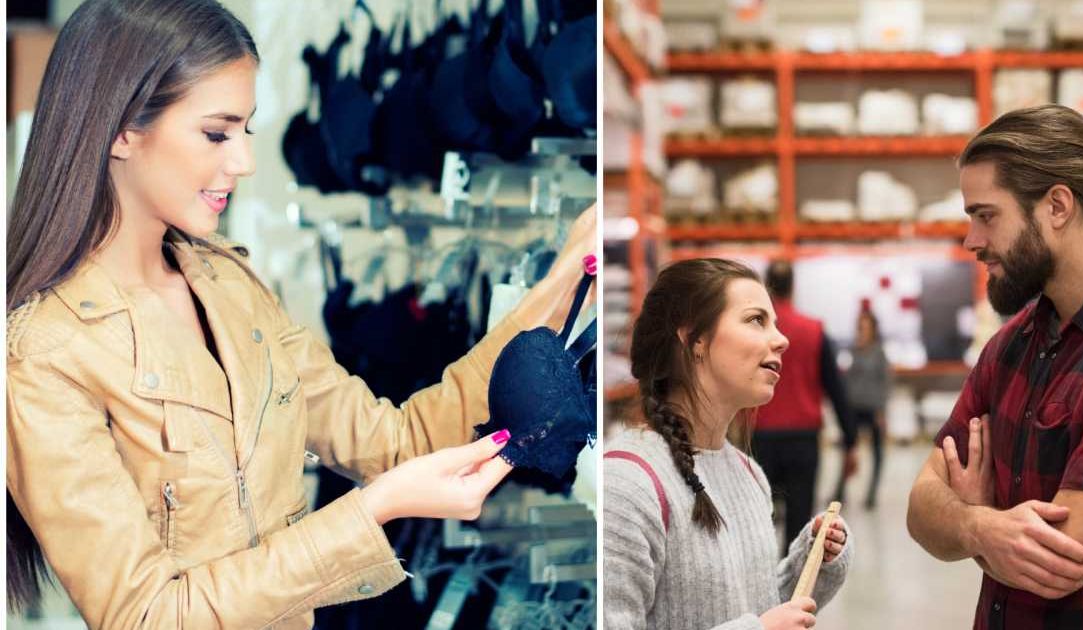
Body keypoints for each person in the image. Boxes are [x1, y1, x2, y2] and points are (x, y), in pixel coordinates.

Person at [4, 1, 596, 628]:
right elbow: (146, 615)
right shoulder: (43, 354)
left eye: (247, 130)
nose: (244, 162)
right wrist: (370, 513)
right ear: (123, 129)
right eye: (216, 133)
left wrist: (561, 283)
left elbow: (396, 443)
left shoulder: (231, 286)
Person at [906, 104, 1083, 629]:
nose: (972, 240)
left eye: (986, 215)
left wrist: (970, 517)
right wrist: (981, 526)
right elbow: (921, 507)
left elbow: (1060, 560)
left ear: (1057, 206)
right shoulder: (1011, 345)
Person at [604, 258, 853, 630]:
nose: (781, 339)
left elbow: (753, 606)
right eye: (756, 320)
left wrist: (813, 559)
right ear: (695, 341)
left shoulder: (749, 473)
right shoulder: (627, 485)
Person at [753, 260, 858, 548]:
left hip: (762, 438)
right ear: (793, 287)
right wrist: (850, 441)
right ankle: (793, 587)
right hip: (803, 440)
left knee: (758, 520)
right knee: (799, 524)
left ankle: (760, 584)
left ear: (766, 287)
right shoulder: (814, 331)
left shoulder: (754, 334)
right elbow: (836, 390)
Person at [833, 307, 891, 510]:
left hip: (873, 409)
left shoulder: (879, 352)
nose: (862, 330)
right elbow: (845, 379)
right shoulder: (852, 350)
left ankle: (871, 494)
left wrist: (882, 411)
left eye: (866, 327)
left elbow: (885, 383)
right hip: (853, 409)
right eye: (860, 327)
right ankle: (840, 491)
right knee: (848, 449)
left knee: (877, 452)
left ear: (873, 329)